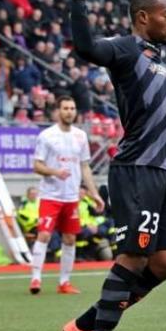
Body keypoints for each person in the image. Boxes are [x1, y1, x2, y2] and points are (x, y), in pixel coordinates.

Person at [61, 0, 166, 331]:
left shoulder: (157, 57)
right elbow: (86, 47)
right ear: (144, 17)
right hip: (136, 169)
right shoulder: (126, 48)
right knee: (132, 257)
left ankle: (84, 326)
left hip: (163, 172)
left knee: (163, 263)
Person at [29, 96, 102, 295]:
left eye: (72, 108)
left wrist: (95, 194)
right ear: (57, 111)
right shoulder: (47, 135)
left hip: (71, 197)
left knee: (70, 239)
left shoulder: (80, 136)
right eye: (65, 108)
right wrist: (55, 172)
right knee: (44, 234)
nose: (69, 111)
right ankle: (35, 279)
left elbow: (85, 167)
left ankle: (64, 282)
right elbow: (37, 165)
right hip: (50, 195)